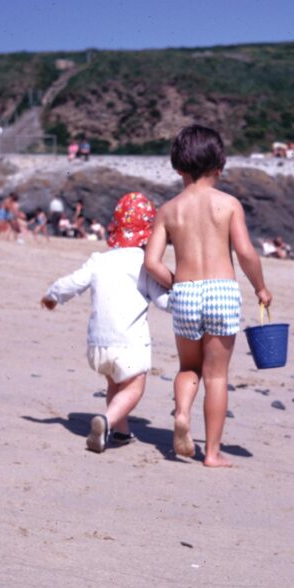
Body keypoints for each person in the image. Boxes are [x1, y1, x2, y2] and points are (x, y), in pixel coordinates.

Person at [144, 125, 272, 468]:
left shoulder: (169, 210)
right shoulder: (228, 204)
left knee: (189, 367)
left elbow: (151, 262)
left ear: (177, 167)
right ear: (220, 166)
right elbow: (245, 253)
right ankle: (212, 453)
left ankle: (182, 412)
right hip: (221, 292)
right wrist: (260, 287)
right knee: (216, 375)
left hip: (185, 292)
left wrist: (175, 283)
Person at [41, 192, 170, 453]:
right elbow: (164, 301)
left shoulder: (99, 259)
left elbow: (73, 282)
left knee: (114, 384)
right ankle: (107, 421)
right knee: (133, 388)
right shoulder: (145, 264)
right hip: (129, 343)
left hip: (98, 345)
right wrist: (187, 300)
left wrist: (52, 296)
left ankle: (121, 433)